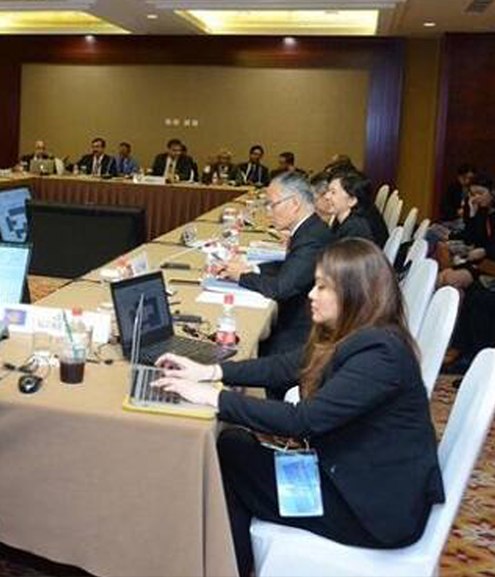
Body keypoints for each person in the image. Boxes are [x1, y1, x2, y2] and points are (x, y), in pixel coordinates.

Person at [155, 238, 444, 577]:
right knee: (234, 445)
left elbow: (303, 420)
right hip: (353, 479)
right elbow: (284, 367)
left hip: (369, 511)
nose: (311, 294)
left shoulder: (379, 354)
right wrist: (211, 371)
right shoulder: (360, 334)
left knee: (231, 458)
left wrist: (212, 397)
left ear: (355, 293)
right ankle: (233, 563)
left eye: (323, 287)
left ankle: (228, 566)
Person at [219, 171, 333, 363]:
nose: (269, 212)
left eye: (273, 205)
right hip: (300, 317)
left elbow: (282, 288)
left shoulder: (311, 238)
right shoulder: (309, 228)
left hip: (301, 333)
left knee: (238, 344)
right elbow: (293, 265)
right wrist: (252, 269)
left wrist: (241, 276)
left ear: (295, 203)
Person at [326, 168, 387, 247]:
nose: (327, 196)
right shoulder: (346, 219)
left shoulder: (355, 230)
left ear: (352, 200)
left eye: (333, 192)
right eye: (328, 190)